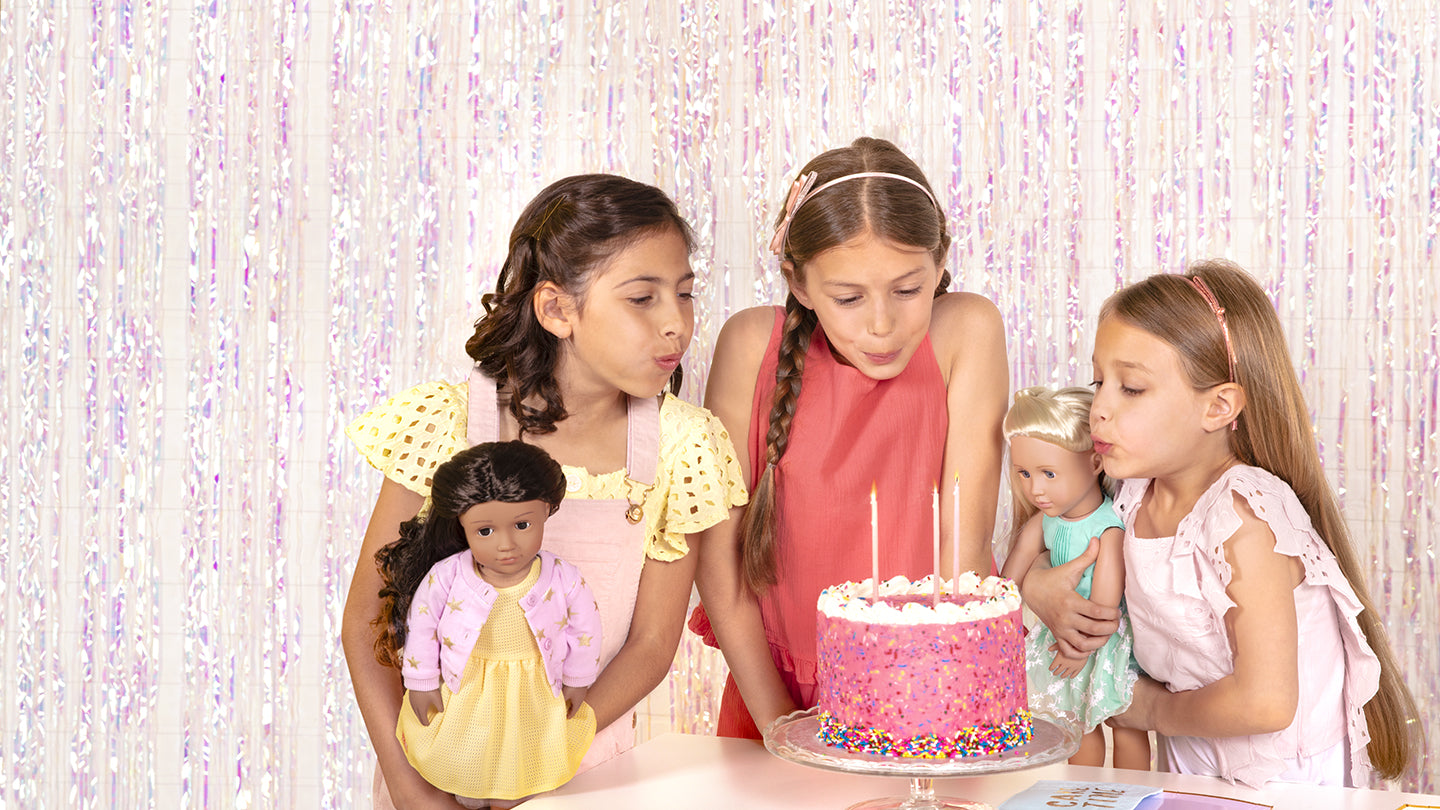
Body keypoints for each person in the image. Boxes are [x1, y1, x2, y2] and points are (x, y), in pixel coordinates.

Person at [343, 174, 748, 810]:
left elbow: (649, 648)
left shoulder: (681, 446)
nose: (677, 324)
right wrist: (413, 788)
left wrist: (543, 757)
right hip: (437, 771)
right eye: (642, 298)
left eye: (686, 294)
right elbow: (367, 623)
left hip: (585, 773)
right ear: (557, 309)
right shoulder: (444, 424)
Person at [691, 136, 1009, 737]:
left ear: (940, 264)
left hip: (932, 684)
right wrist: (782, 727)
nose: (883, 324)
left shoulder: (967, 329)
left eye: (908, 289)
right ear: (800, 283)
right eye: (848, 297)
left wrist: (928, 715)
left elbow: (963, 553)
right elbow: (720, 563)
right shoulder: (748, 344)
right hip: (774, 695)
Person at [1095, 259, 1419, 787]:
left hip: (1283, 782)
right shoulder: (1132, 495)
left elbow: (1265, 702)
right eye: (1098, 380)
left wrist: (1151, 712)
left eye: (1130, 388)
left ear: (1218, 406)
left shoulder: (1244, 517)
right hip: (1195, 761)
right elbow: (1057, 541)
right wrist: (1042, 586)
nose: (1100, 407)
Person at [372, 441, 602, 808]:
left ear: (546, 511)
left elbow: (585, 630)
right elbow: (423, 626)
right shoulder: (447, 576)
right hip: (467, 686)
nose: (506, 544)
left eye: (522, 525)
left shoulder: (562, 577)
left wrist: (578, 679)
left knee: (522, 759)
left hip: (533, 689)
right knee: (467, 752)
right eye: (485, 531)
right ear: (461, 524)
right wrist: (421, 683)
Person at [998, 386, 1149, 770]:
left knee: (1122, 721)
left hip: (1102, 638)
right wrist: (1001, 623)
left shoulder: (1107, 530)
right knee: (1076, 721)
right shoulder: (1043, 522)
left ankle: (1135, 793)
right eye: (1025, 473)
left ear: (1095, 464)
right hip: (1064, 630)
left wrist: (1078, 648)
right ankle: (1084, 791)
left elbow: (1104, 605)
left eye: (1049, 473)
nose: (1036, 489)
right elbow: (1007, 583)